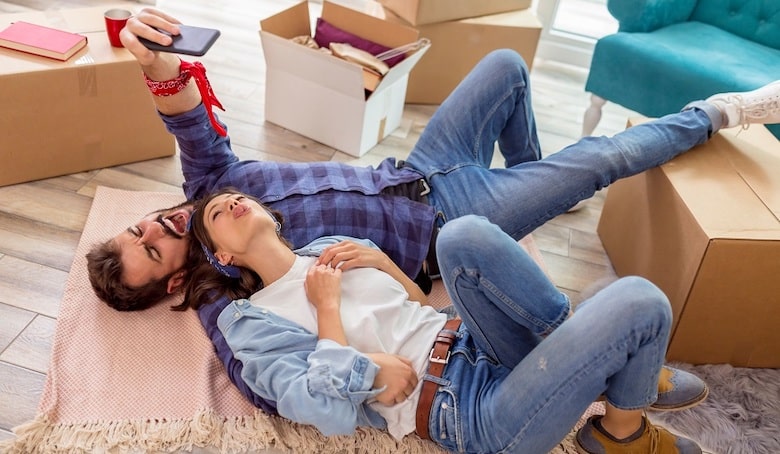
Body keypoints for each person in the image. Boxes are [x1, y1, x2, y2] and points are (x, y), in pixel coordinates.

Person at [87, 7, 780, 313]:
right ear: (173, 285)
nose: (153, 228)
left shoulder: (207, 188)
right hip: (450, 222)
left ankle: (535, 183)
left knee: (505, 65)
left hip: (419, 166)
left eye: (137, 228)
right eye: (149, 251)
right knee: (604, 156)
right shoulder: (230, 282)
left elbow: (186, 117)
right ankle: (722, 112)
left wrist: (155, 60)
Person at [183, 186, 704, 453]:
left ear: (270, 215)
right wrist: (326, 313)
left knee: (461, 236)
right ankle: (622, 430)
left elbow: (414, 309)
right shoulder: (249, 322)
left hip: (471, 338)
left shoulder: (334, 249)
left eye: (236, 198)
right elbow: (313, 405)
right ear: (222, 258)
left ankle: (600, 362)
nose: (230, 202)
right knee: (637, 302)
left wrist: (385, 264)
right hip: (464, 408)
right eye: (215, 215)